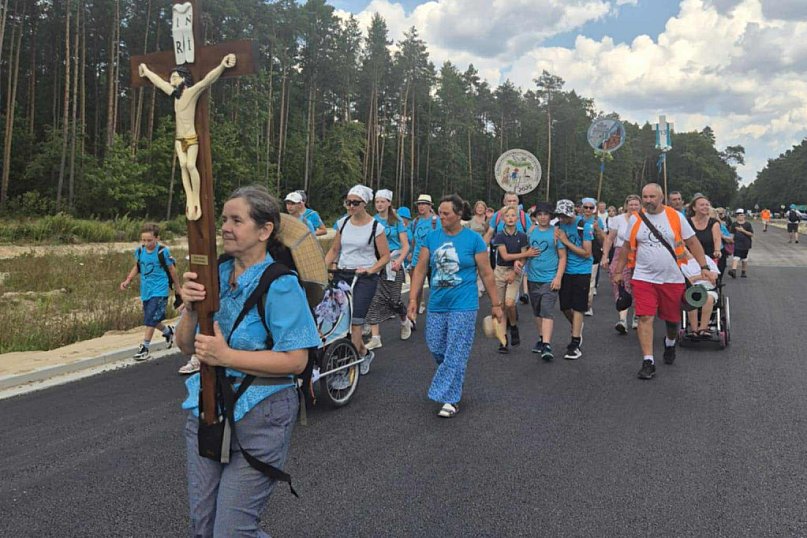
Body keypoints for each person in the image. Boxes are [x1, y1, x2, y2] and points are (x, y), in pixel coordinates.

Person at [175, 185, 320, 536]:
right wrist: (191, 308)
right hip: (209, 407)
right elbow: (184, 345)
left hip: (263, 413)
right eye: (224, 218)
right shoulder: (215, 273)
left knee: (232, 532)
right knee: (203, 528)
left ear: (264, 230)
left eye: (236, 220)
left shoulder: (280, 284)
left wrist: (225, 356)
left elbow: (297, 361)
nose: (225, 227)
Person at [407, 194, 502, 418]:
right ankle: (452, 377)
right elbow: (420, 270)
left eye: (446, 213)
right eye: (439, 212)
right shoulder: (431, 238)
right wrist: (413, 299)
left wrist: (496, 304)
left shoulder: (473, 240)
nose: (441, 217)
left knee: (456, 349)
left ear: (459, 215)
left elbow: (487, 273)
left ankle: (450, 398)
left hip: (465, 303)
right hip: (438, 303)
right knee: (436, 346)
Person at [611, 183, 714, 380]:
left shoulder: (675, 217)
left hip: (672, 278)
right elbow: (625, 248)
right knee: (645, 317)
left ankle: (669, 343)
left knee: (672, 321)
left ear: (661, 198)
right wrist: (618, 271)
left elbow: (693, 243)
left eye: (652, 196)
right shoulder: (636, 218)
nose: (648, 200)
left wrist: (704, 267)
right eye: (645, 197)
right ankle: (648, 360)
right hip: (643, 277)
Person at [324, 185, 390, 375]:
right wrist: (323, 268)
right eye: (348, 202)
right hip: (342, 274)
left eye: (355, 203)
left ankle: (348, 370)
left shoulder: (376, 227)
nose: (350, 206)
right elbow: (334, 250)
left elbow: (385, 256)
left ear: (364, 204)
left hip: (364, 277)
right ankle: (363, 352)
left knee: (355, 323)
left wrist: (371, 269)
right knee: (334, 321)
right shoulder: (342, 223)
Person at [119, 223, 179, 360]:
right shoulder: (140, 251)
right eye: (143, 240)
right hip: (146, 290)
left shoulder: (162, 252)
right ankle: (168, 332)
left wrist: (178, 288)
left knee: (150, 318)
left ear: (157, 238)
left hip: (160, 289)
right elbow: (137, 267)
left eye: (149, 240)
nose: (146, 243)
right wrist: (128, 280)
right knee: (151, 318)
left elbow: (172, 270)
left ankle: (145, 347)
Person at [365, 189, 412, 349]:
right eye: (377, 202)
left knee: (394, 299)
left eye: (382, 201)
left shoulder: (397, 221)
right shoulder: (372, 221)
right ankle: (375, 336)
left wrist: (399, 260)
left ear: (389, 203)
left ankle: (404, 320)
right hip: (378, 263)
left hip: (394, 262)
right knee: (374, 299)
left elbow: (405, 245)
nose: (379, 204)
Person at [492, 206, 537, 353]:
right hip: (500, 270)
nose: (510, 218)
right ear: (503, 219)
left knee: (510, 303)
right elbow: (504, 256)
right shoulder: (499, 235)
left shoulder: (523, 236)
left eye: (513, 216)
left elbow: (524, 257)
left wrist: (519, 265)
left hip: (516, 271)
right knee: (500, 306)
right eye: (507, 216)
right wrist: (526, 254)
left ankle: (513, 325)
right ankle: (503, 341)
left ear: (517, 219)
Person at [526, 202, 567, 360]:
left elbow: (563, 257)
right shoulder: (530, 233)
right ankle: (541, 338)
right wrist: (520, 262)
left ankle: (547, 345)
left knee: (546, 310)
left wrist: (558, 277)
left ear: (551, 216)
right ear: (536, 217)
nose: (543, 217)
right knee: (537, 311)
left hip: (549, 279)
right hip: (532, 277)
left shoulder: (556, 233)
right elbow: (525, 252)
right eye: (540, 214)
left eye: (546, 214)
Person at [553, 199, 593, 360]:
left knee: (578, 307)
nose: (562, 219)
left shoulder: (584, 225)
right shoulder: (558, 226)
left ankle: (575, 343)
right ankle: (577, 325)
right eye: (560, 216)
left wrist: (566, 241)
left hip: (582, 270)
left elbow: (586, 253)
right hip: (565, 270)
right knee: (564, 307)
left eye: (565, 216)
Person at [601, 194, 641, 333]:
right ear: (626, 206)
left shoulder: (644, 219)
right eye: (631, 204)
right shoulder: (618, 220)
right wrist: (605, 256)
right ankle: (622, 319)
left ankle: (636, 316)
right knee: (620, 284)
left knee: (637, 285)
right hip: (620, 253)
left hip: (638, 255)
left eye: (636, 204)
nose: (633, 207)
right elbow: (609, 238)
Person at [409, 194, 440, 314]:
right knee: (416, 289)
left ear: (430, 206)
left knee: (435, 288)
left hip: (433, 260)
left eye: (424, 204)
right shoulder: (416, 221)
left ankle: (436, 313)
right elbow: (413, 239)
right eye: (419, 204)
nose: (421, 207)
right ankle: (413, 317)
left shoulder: (436, 221)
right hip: (417, 259)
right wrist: (411, 252)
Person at [681, 249, 720, 337]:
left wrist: (695, 278)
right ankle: (694, 330)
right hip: (692, 290)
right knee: (691, 299)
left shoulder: (705, 259)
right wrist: (704, 276)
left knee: (708, 299)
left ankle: (703, 328)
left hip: (708, 288)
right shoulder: (680, 264)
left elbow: (714, 276)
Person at [581, 197, 606, 316]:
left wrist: (597, 229)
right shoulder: (577, 220)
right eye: (586, 207)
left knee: (590, 282)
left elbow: (604, 239)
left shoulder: (597, 221)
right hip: (578, 254)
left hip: (594, 254)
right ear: (582, 208)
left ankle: (588, 305)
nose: (588, 210)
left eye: (591, 207)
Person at [686, 193, 722, 263]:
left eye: (707, 205)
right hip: (691, 259)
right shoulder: (687, 222)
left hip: (709, 258)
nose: (705, 207)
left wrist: (717, 250)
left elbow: (717, 239)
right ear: (694, 208)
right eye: (702, 205)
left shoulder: (714, 223)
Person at [469, 201, 490, 296]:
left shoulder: (488, 219)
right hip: (472, 246)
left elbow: (490, 231)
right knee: (473, 267)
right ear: (475, 208)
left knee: (483, 267)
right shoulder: (471, 219)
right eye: (478, 207)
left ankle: (482, 287)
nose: (480, 209)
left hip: (485, 246)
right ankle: (474, 287)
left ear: (485, 209)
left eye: (482, 207)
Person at [728, 209, 754, 278]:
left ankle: (743, 271)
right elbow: (732, 233)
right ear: (736, 216)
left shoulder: (748, 224)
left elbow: (751, 234)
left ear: (744, 216)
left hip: (746, 244)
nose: (740, 216)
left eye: (742, 215)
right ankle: (733, 270)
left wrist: (743, 230)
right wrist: (731, 241)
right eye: (739, 215)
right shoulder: (734, 224)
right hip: (736, 243)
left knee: (744, 258)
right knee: (736, 256)